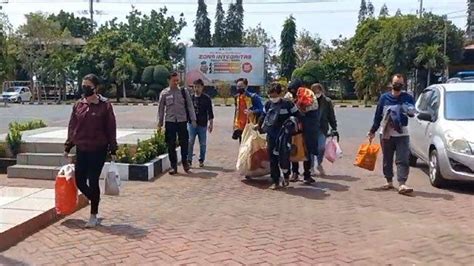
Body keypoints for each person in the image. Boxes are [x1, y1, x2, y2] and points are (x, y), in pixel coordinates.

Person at [64, 74, 117, 228]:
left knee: (93, 179)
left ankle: (93, 215)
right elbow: (72, 127)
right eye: (83, 85)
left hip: (98, 148)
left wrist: (113, 148)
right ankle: (95, 199)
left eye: (87, 85)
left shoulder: (105, 105)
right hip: (82, 148)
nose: (84, 88)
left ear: (95, 87)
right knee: (80, 180)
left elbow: (111, 128)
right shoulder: (78, 105)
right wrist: (68, 146)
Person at [368, 74, 416, 195]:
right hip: (386, 134)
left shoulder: (407, 98)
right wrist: (372, 131)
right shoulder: (384, 98)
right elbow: (378, 115)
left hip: (402, 134)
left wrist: (409, 110)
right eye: (395, 83)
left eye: (400, 83)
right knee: (387, 159)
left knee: (403, 159)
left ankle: (402, 184)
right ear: (391, 84)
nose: (397, 85)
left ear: (403, 85)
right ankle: (389, 181)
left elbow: (412, 112)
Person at [259, 83, 300, 190]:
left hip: (285, 135)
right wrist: (258, 126)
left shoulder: (288, 104)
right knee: (272, 158)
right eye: (270, 96)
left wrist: (293, 126)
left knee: (284, 157)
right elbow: (263, 116)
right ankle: (276, 181)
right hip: (271, 135)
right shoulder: (268, 104)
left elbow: (298, 116)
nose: (272, 98)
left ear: (280, 94)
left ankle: (286, 176)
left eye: (274, 96)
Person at [158, 72, 197, 175]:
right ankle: (173, 166)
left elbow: (190, 106)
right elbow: (161, 109)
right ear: (168, 80)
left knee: (184, 143)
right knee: (170, 144)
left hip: (182, 121)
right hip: (170, 122)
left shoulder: (183, 92)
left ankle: (185, 163)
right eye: (174, 80)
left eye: (177, 80)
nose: (176, 82)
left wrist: (193, 120)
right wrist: (159, 123)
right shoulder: (164, 93)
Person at [287, 79, 319, 184]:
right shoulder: (289, 96)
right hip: (294, 126)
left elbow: (313, 108)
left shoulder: (309, 94)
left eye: (294, 90)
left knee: (307, 150)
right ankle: (295, 173)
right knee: (294, 148)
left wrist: (300, 108)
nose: (293, 93)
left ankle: (307, 174)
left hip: (307, 126)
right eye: (291, 91)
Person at [311, 83, 338, 176]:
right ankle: (311, 168)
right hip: (311, 128)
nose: (316, 92)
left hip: (322, 128)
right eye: (314, 91)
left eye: (318, 90)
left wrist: (334, 127)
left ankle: (319, 164)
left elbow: (331, 115)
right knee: (311, 149)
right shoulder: (309, 100)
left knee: (321, 148)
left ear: (321, 90)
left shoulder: (327, 101)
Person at [187, 79, 214, 168]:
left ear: (202, 87)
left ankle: (201, 160)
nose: (196, 89)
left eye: (198, 87)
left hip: (202, 124)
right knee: (190, 142)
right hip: (191, 124)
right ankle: (189, 160)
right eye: (195, 87)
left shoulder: (206, 98)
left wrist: (211, 123)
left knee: (202, 143)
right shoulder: (190, 98)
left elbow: (210, 112)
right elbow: (187, 111)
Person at [232, 78, 264, 142]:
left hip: (250, 126)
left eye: (241, 86)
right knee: (242, 146)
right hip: (240, 126)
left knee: (250, 147)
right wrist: (234, 126)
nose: (239, 88)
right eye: (237, 87)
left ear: (246, 86)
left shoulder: (253, 97)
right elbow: (236, 111)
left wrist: (252, 112)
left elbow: (262, 110)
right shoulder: (237, 97)